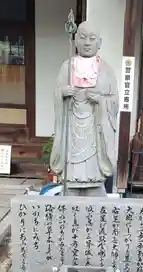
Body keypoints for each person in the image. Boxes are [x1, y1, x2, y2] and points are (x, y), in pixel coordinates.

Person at [50, 21, 119, 196]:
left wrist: (101, 100)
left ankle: (94, 181)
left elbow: (115, 101)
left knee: (93, 163)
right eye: (82, 37)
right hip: (72, 126)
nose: (87, 42)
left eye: (92, 38)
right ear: (75, 40)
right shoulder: (67, 67)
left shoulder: (106, 70)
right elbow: (56, 94)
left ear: (99, 43)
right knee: (72, 163)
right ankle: (72, 180)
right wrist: (63, 93)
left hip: (95, 128)